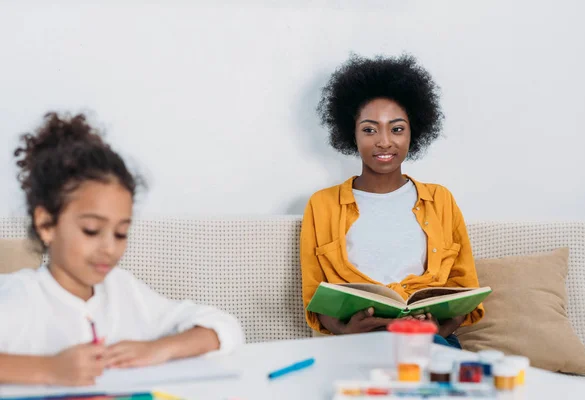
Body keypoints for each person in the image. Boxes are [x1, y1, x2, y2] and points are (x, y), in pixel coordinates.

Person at [0, 112, 244, 386]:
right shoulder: (20, 297)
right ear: (46, 224)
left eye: (121, 233)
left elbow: (225, 327)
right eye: (91, 230)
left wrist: (159, 349)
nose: (109, 248)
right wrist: (49, 369)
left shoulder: (124, 291)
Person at [300, 54, 484, 348]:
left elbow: (464, 290)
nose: (384, 141)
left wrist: (437, 327)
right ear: (352, 133)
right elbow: (316, 299)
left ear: (414, 132)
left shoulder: (441, 200)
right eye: (370, 129)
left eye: (397, 129)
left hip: (430, 342)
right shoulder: (322, 206)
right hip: (355, 344)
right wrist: (347, 332)